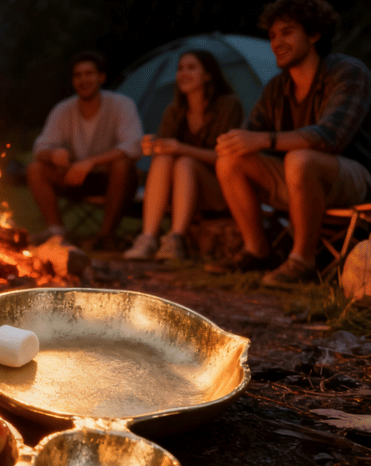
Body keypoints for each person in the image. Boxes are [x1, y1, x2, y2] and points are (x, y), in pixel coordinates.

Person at [214, 0, 371, 286]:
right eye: (272, 36)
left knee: (301, 158)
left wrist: (262, 139)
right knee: (231, 159)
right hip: (298, 178)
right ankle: (258, 251)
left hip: (353, 180)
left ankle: (302, 261)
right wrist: (235, 141)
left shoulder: (348, 72)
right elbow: (251, 136)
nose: (277, 43)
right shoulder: (277, 88)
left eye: (287, 32)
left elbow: (330, 137)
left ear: (314, 34)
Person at [123, 50, 244, 261]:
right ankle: (149, 237)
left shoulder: (228, 105)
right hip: (179, 192)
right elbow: (167, 150)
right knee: (164, 157)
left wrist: (180, 148)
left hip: (220, 188)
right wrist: (153, 146)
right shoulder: (174, 111)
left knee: (185, 162)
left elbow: (226, 158)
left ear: (208, 75)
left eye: (191, 67)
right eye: (180, 68)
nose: (183, 73)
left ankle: (176, 239)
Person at [28, 50, 143, 248]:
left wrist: (92, 162)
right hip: (75, 178)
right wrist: (54, 154)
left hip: (112, 180)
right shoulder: (64, 109)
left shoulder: (121, 105)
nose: (83, 80)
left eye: (89, 74)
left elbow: (134, 145)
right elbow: (41, 146)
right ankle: (57, 232)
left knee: (122, 164)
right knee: (35, 168)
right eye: (77, 75)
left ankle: (105, 236)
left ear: (101, 77)